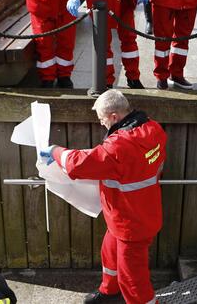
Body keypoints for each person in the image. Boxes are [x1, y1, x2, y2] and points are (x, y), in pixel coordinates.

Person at [39, 90, 167, 304]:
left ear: (114, 117)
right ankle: (110, 291)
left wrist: (54, 151)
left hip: (130, 223)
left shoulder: (119, 146)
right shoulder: (153, 128)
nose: (100, 124)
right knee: (110, 250)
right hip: (139, 212)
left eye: (101, 119)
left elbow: (77, 163)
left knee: (133, 279)